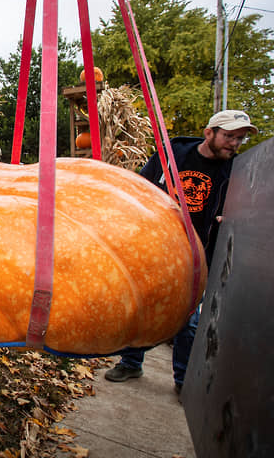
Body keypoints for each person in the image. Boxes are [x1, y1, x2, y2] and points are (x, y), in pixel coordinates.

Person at [104, 109, 258, 395]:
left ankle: (183, 379)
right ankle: (131, 362)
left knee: (187, 320)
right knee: (143, 305)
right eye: (229, 136)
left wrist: (231, 218)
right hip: (156, 247)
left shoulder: (235, 171)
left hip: (198, 255)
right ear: (209, 132)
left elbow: (243, 209)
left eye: (239, 139)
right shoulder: (173, 153)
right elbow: (141, 185)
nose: (234, 144)